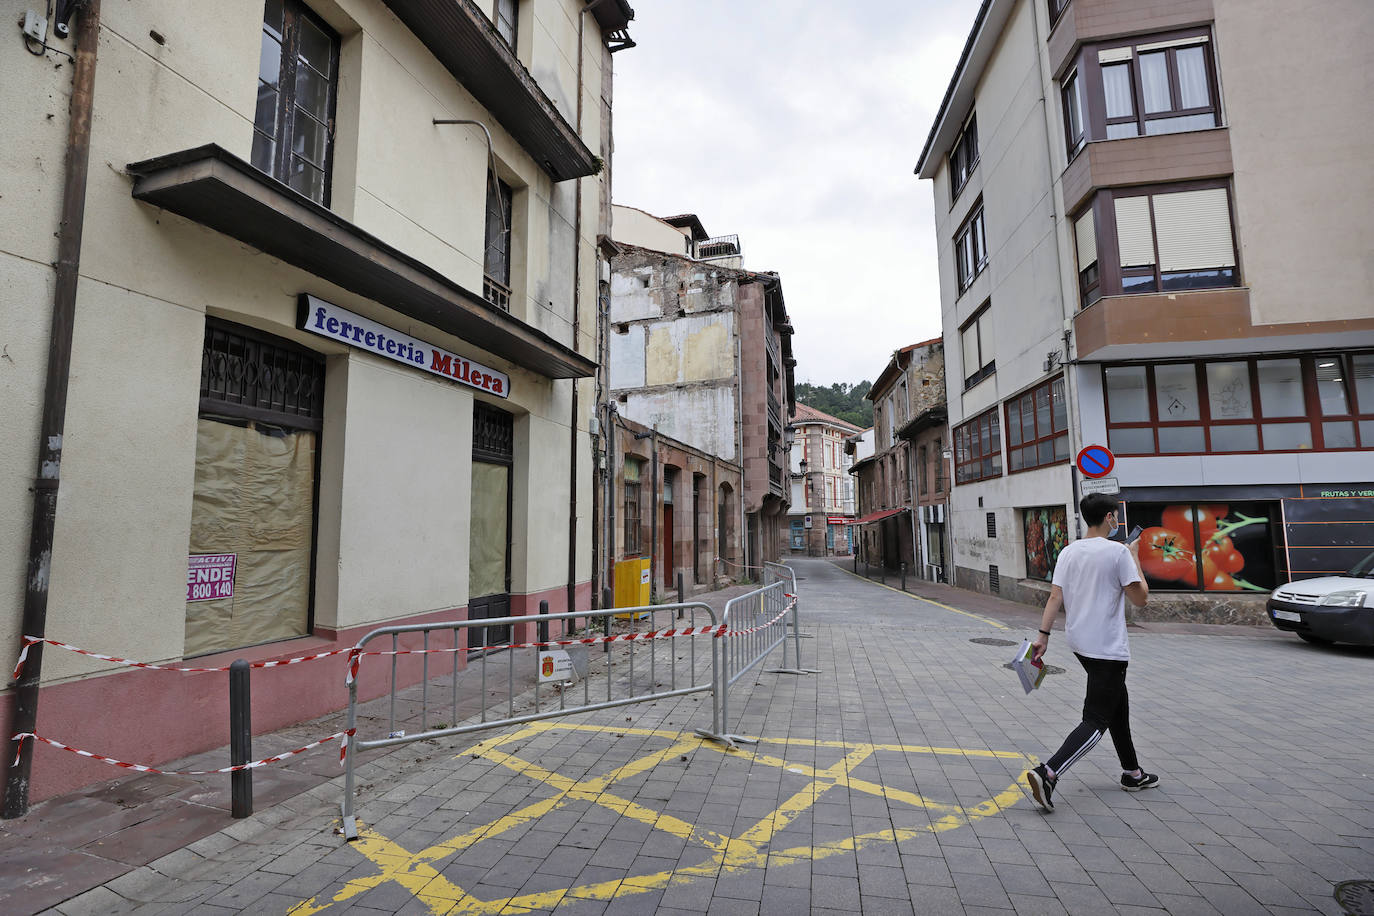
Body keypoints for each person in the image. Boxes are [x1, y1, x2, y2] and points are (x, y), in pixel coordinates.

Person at [1024, 492, 1157, 812]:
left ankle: (1132, 773)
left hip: (1079, 643)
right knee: (1097, 718)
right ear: (1110, 517)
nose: (1117, 522)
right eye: (1115, 517)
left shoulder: (1069, 551)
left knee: (1117, 706)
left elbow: (1055, 598)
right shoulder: (1118, 553)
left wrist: (1043, 635)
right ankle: (1049, 772)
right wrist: (1134, 554)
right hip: (1107, 648)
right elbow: (1141, 599)